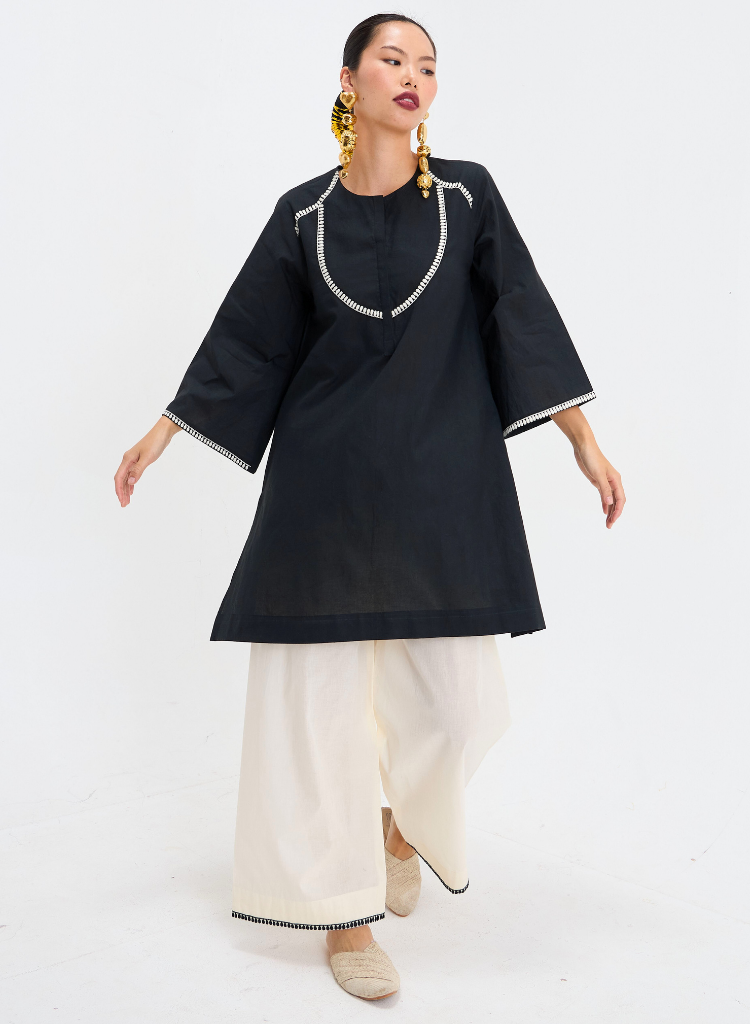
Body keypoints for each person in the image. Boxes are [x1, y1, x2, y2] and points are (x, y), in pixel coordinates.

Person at [114, 13, 625, 1001]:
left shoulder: (469, 197)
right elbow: (248, 341)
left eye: (428, 64)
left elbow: (519, 315)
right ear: (349, 79)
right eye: (393, 58)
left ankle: (397, 832)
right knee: (317, 711)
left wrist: (582, 440)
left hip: (444, 481)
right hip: (323, 488)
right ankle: (343, 914)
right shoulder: (302, 215)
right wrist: (165, 429)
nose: (413, 75)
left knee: (461, 706)